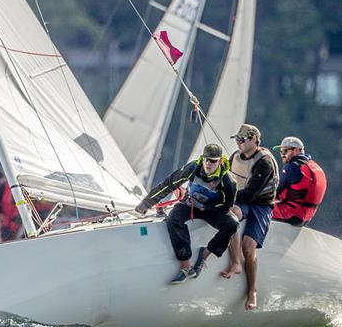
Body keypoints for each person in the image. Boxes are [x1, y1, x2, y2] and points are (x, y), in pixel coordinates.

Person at [135, 143, 238, 285]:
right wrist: (145, 204)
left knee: (232, 224)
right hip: (189, 204)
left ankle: (205, 255)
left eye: (213, 160)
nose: (208, 163)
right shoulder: (193, 168)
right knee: (173, 218)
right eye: (206, 159)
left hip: (211, 210)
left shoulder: (228, 182)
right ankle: (186, 266)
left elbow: (226, 206)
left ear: (220, 161)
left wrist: (205, 207)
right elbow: (168, 184)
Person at [222, 123, 278, 310]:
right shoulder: (234, 157)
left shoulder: (264, 162)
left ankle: (252, 291)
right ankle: (235, 262)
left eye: (242, 139)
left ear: (254, 139)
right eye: (237, 139)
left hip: (261, 205)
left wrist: (225, 197)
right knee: (231, 215)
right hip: (243, 200)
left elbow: (250, 194)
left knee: (249, 247)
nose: (238, 143)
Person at [272, 136, 326, 226]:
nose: (282, 155)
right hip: (306, 217)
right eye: (281, 151)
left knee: (255, 207)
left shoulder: (292, 167)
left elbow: (275, 192)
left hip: (290, 214)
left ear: (297, 150)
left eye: (285, 151)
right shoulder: (315, 167)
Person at [0, 174, 21, 241]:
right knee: (5, 230)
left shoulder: (19, 185)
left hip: (16, 213)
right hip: (5, 214)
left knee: (15, 229)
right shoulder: (3, 186)